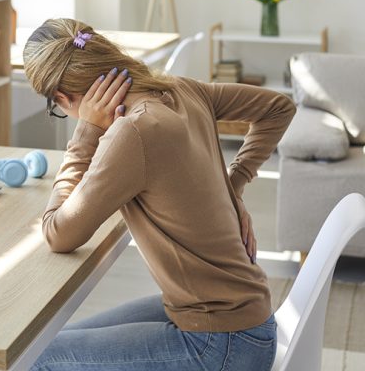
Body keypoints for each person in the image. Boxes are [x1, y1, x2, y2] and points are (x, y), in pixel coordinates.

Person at [23, 18, 296, 371]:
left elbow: (57, 233)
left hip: (222, 344)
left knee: (36, 359)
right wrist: (234, 185)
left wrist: (86, 132)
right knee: (52, 343)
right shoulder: (181, 89)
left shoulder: (133, 132)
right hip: (237, 318)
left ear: (62, 98)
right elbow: (278, 107)